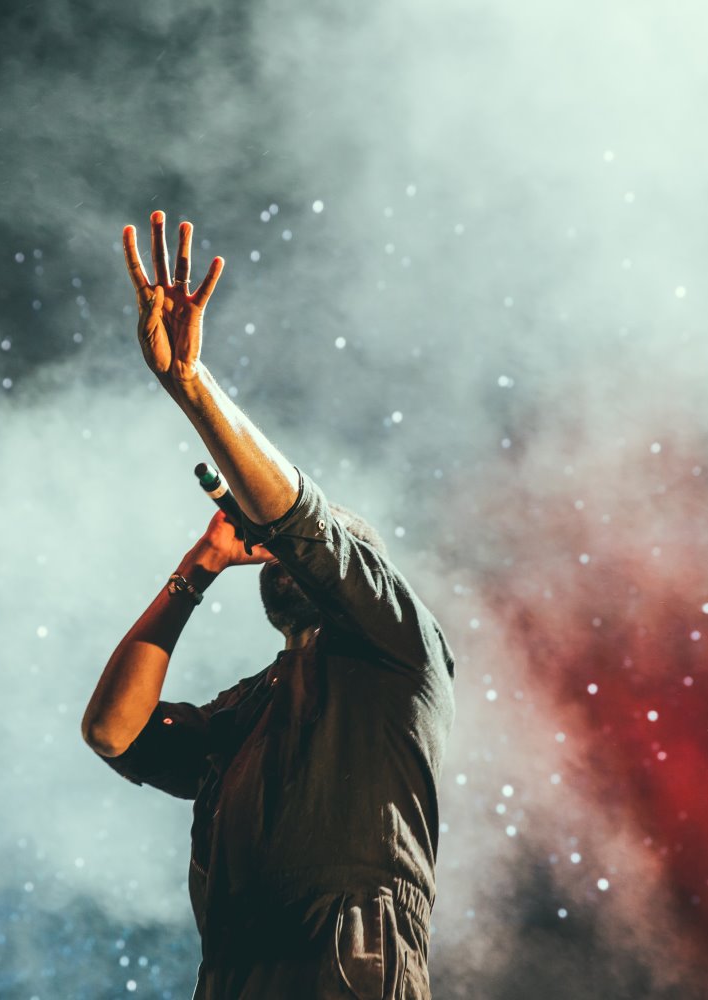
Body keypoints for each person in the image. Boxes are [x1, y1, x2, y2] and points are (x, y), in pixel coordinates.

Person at [82, 210, 455, 999]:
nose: (280, 550)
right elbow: (113, 732)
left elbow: (302, 520)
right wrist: (199, 567)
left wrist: (192, 386)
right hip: (233, 970)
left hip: (345, 956)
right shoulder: (250, 706)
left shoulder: (398, 642)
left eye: (306, 549)